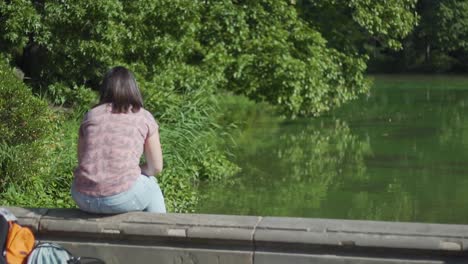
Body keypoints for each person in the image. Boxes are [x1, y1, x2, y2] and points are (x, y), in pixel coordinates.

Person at [71, 66, 166, 214]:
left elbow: (83, 160)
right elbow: (156, 167)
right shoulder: (143, 116)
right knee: (152, 185)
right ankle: (159, 233)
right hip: (119, 199)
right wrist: (135, 171)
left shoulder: (91, 115)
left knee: (135, 187)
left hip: (83, 196)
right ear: (133, 88)